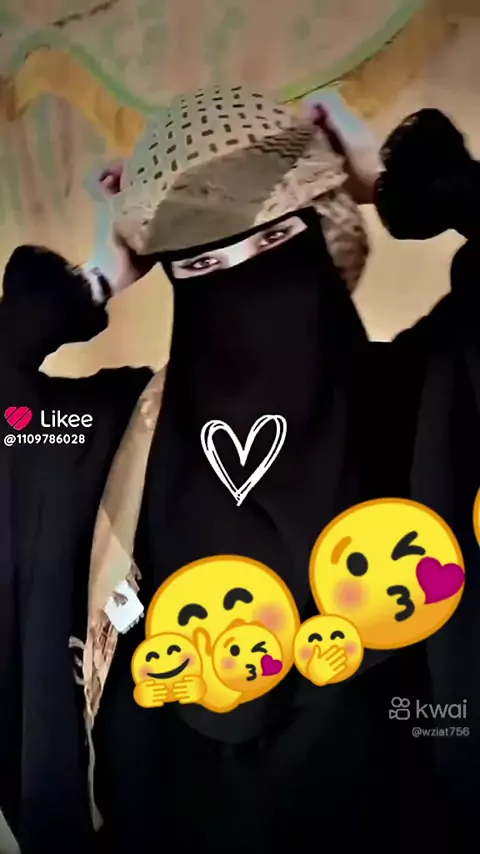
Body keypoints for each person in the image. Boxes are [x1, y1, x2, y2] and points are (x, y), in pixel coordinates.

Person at [1, 92, 479, 854]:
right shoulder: (115, 440)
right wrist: (93, 280)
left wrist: (392, 184)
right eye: (200, 262)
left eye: (274, 239)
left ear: (318, 238)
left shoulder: (421, 398)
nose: (239, 281)